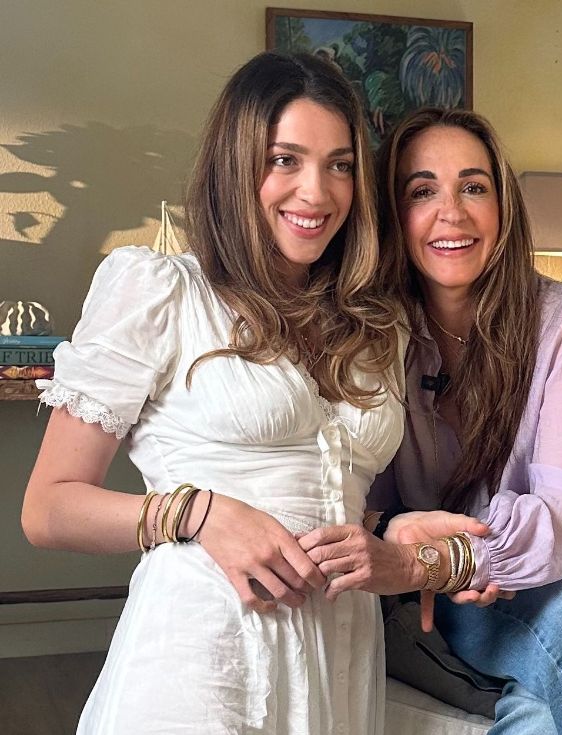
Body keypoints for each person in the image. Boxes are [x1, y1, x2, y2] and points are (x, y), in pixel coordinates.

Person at [20, 52, 452, 735]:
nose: (316, 192)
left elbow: (327, 488)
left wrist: (390, 536)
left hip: (338, 659)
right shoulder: (163, 291)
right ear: (235, 163)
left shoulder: (377, 323)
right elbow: (47, 509)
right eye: (284, 160)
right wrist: (197, 512)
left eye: (340, 165)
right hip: (203, 653)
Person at [300, 107, 562, 734]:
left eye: (473, 187)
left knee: (549, 687)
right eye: (422, 191)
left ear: (502, 206)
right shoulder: (372, 338)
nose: (452, 213)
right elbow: (354, 498)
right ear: (392, 215)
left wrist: (448, 558)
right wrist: (411, 546)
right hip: (460, 600)